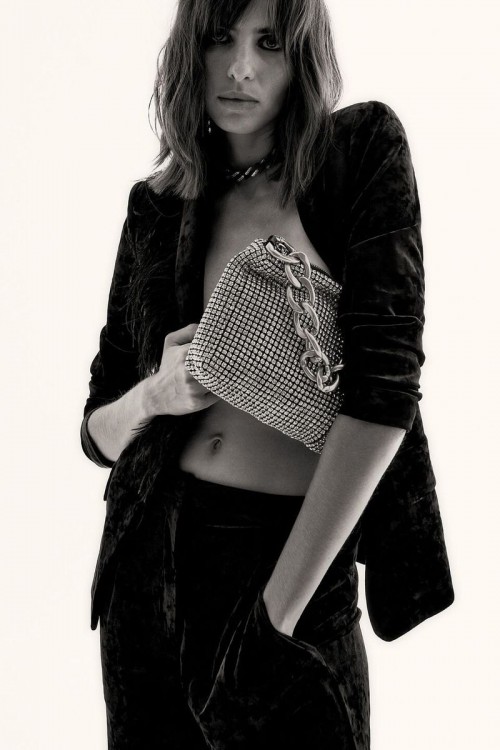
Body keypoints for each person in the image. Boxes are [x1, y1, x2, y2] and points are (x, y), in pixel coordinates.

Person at [80, 0, 455, 747]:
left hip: (290, 570)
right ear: (190, 53)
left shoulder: (359, 154)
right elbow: (96, 431)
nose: (241, 68)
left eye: (270, 44)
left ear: (303, 59)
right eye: (220, 39)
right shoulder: (156, 208)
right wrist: (154, 393)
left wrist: (273, 621)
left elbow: (385, 393)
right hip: (148, 569)